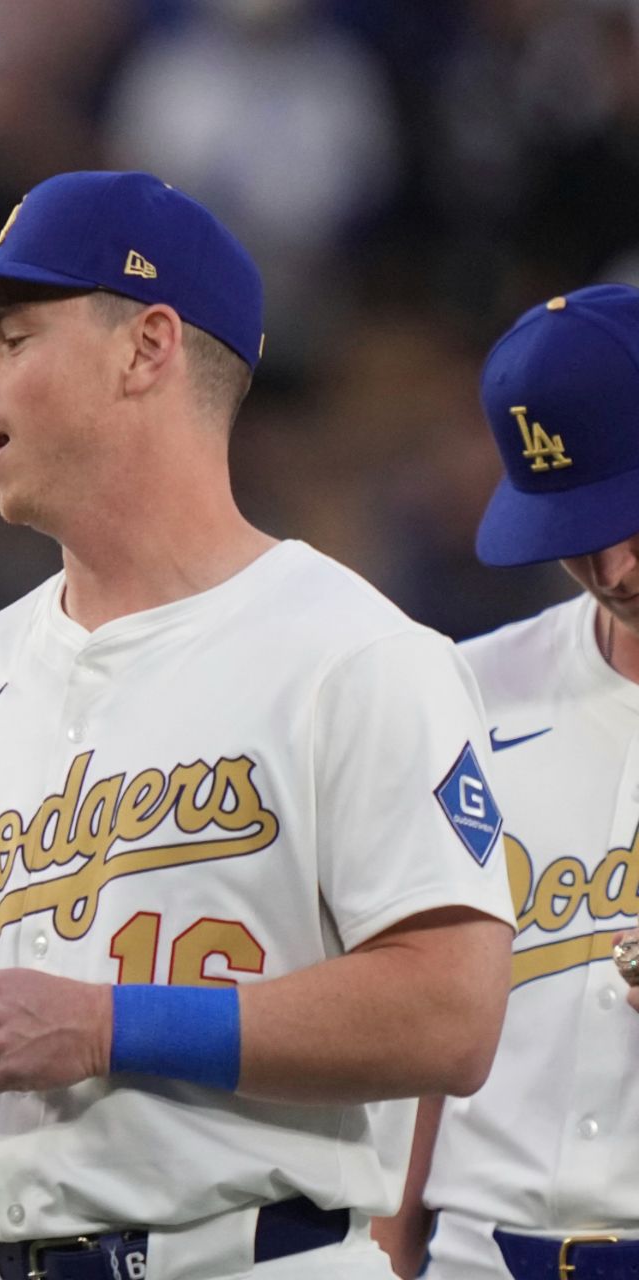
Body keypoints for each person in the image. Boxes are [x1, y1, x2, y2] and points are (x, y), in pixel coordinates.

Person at [0, 170, 517, 1280]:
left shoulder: (356, 653)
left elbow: (451, 1009)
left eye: (10, 336)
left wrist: (111, 1023)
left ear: (146, 348)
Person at [372, 284, 639, 1280]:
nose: (612, 563)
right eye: (579, 527)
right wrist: (388, 1247)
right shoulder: (466, 691)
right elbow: (411, 1015)